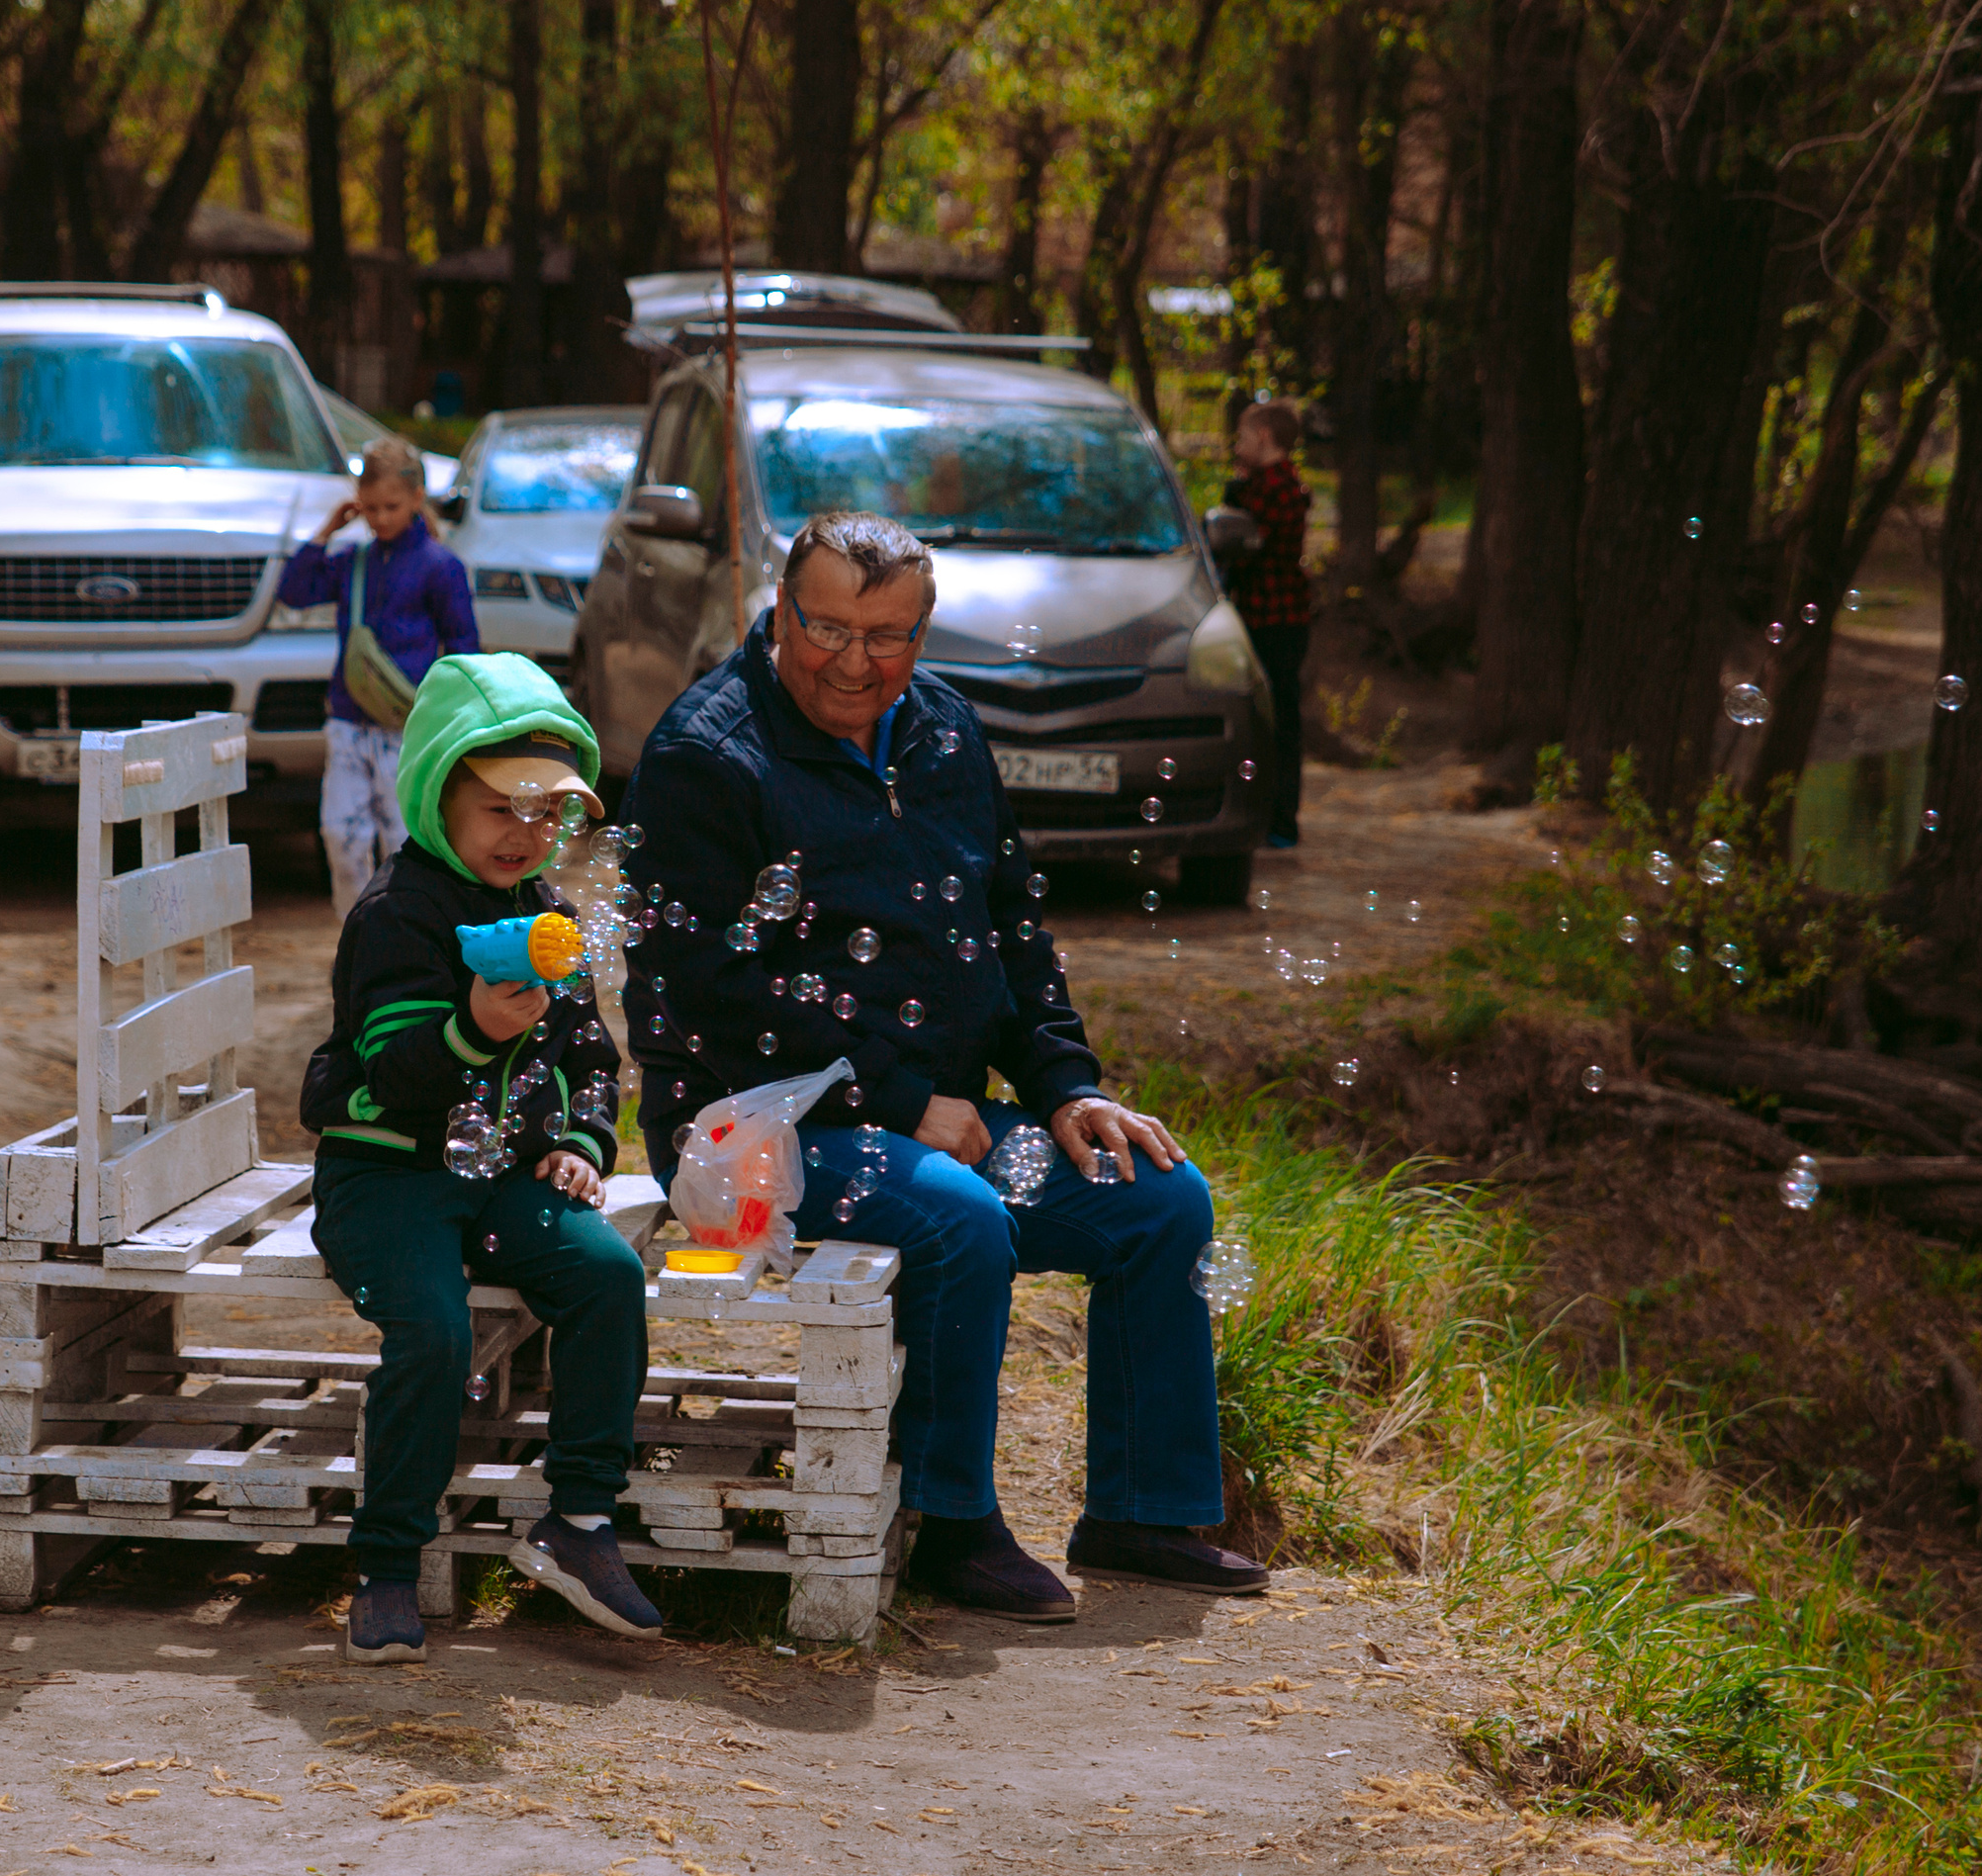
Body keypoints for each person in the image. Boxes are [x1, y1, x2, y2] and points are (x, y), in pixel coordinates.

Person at [619, 510, 1269, 1625]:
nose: (853, 661)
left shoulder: (945, 732)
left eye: (888, 636)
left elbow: (1011, 929)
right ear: (779, 612)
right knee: (961, 1216)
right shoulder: (703, 757)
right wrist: (906, 1100)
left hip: (936, 1119)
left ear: (923, 634)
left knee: (1160, 1198)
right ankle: (949, 1524)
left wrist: (1068, 1086)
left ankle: (1143, 1511)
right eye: (824, 628)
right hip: (747, 1132)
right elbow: (712, 995)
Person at [301, 651, 660, 1663]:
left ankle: (580, 1519)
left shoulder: (548, 916)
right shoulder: (397, 915)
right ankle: (384, 1563)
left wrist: (584, 1145)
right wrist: (472, 1027)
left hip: (498, 1172)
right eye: (502, 807)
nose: (527, 834)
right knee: (433, 1333)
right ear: (435, 793)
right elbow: (395, 1070)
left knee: (604, 1275)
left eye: (548, 815)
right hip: (386, 1174)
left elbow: (593, 1057)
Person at [278, 435, 481, 919]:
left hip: (407, 727)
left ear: (416, 499)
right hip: (347, 722)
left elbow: (463, 645)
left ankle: (407, 935)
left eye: (391, 506)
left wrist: (452, 720)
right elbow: (294, 591)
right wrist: (327, 530)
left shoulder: (440, 566)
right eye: (369, 508)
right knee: (341, 834)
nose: (381, 518)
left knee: (403, 839)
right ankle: (356, 936)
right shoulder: (354, 562)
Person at [1220, 402, 1312, 849]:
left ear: (1262, 438)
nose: (1238, 448)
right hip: (1259, 616)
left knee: (1281, 722)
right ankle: (1263, 814)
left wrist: (1235, 491)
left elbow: (1249, 540)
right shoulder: (1263, 485)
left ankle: (1282, 819)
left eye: (1242, 438)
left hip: (1279, 621)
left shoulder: (1279, 487)